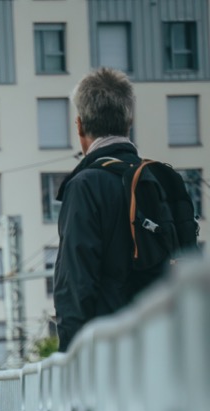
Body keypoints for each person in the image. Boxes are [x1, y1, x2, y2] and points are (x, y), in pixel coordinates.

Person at [52, 67, 191, 351]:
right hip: (169, 347)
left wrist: (72, 358)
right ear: (129, 121)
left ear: (79, 126)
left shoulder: (85, 186)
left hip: (114, 356)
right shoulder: (162, 179)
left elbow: (76, 284)